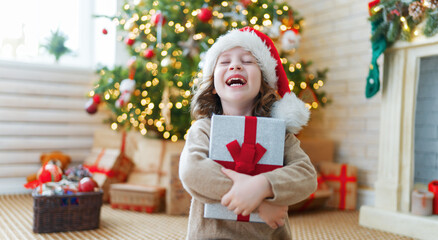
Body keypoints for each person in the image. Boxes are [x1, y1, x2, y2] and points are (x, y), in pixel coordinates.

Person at [179, 27, 317, 240]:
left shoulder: (279, 134)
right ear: (213, 86)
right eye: (224, 62)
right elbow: (192, 171)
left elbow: (306, 176)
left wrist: (263, 185)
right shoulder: (204, 129)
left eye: (247, 61)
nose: (235, 65)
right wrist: (258, 204)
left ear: (263, 84)